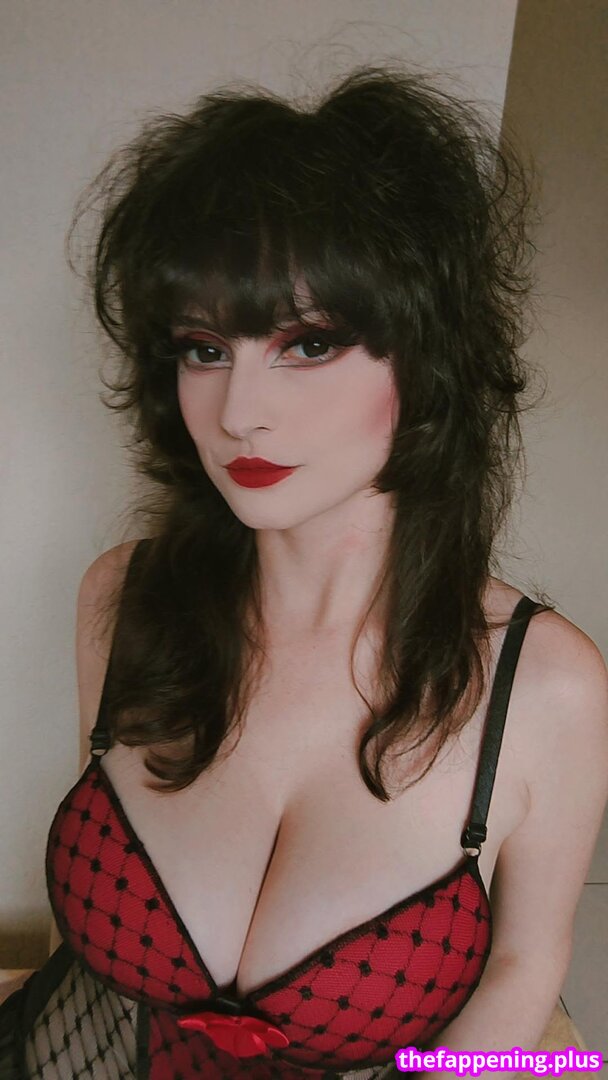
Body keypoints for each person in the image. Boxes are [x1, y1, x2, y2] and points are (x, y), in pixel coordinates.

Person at [1, 64, 607, 1080]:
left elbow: (523, 964)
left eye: (309, 343)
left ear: (429, 359)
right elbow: (91, 938)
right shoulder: (121, 600)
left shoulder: (546, 687)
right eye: (203, 348)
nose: (238, 412)